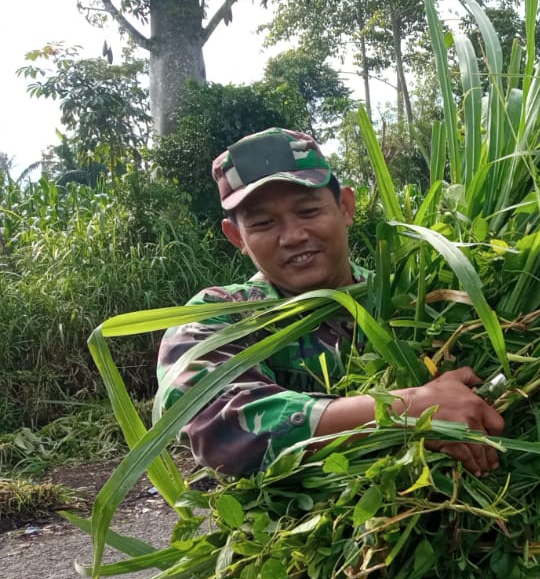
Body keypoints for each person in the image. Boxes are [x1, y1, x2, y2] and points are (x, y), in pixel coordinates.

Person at [156, 127, 505, 478]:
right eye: (263, 223)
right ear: (237, 238)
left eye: (308, 211)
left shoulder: (415, 302)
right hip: (284, 529)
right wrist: (408, 410)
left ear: (346, 207)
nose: (293, 236)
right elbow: (217, 421)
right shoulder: (217, 317)